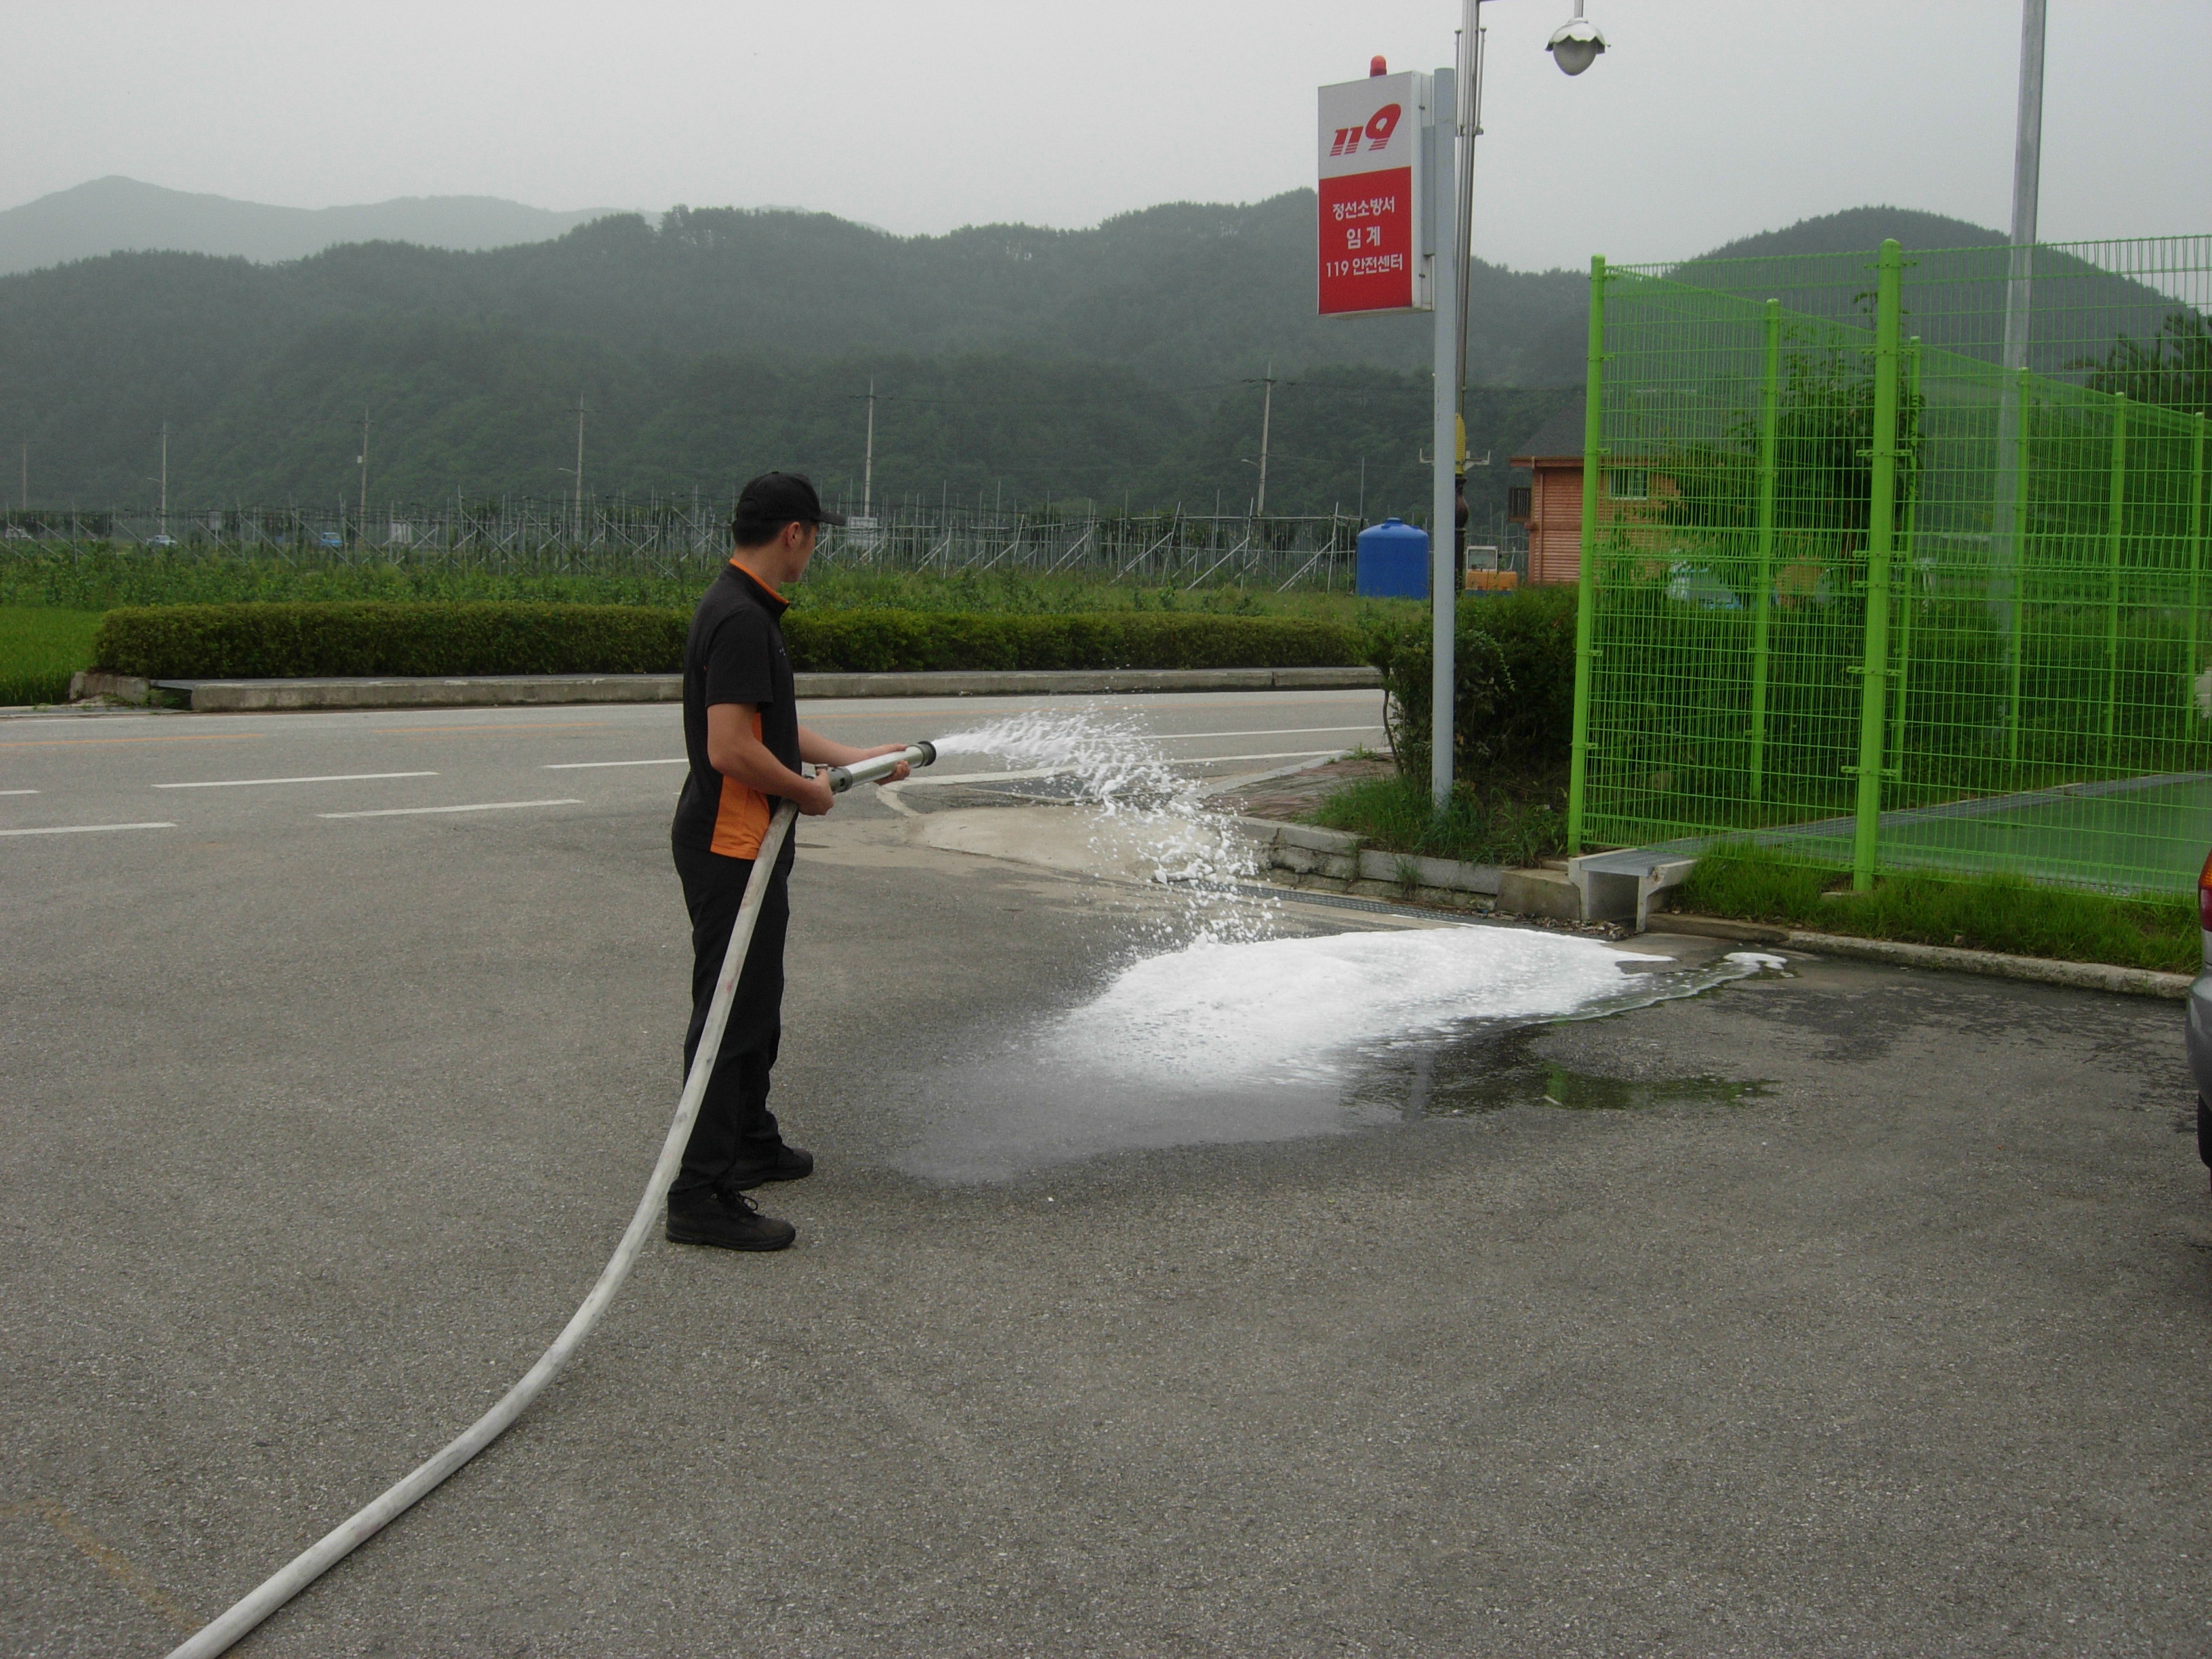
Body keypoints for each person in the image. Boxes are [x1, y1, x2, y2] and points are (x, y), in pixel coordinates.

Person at [665, 472, 911, 1252]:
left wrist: (855, 759)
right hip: (732, 842)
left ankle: (749, 1140)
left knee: (757, 1001)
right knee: (731, 1014)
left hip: (743, 837)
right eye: (816, 537)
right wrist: (806, 793)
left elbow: (770, 729)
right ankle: (699, 1192)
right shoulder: (741, 618)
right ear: (794, 534)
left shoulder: (744, 607)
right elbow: (731, 748)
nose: (814, 551)